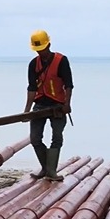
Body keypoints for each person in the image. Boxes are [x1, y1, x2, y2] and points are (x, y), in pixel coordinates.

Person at [24, 30, 72, 182]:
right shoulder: (33, 64)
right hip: (40, 104)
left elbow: (69, 85)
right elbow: (31, 88)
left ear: (49, 45)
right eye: (38, 50)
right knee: (35, 138)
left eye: (43, 49)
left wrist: (67, 104)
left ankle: (51, 171)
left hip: (57, 105)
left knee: (56, 137)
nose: (40, 52)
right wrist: (26, 111)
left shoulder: (61, 61)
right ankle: (45, 167)